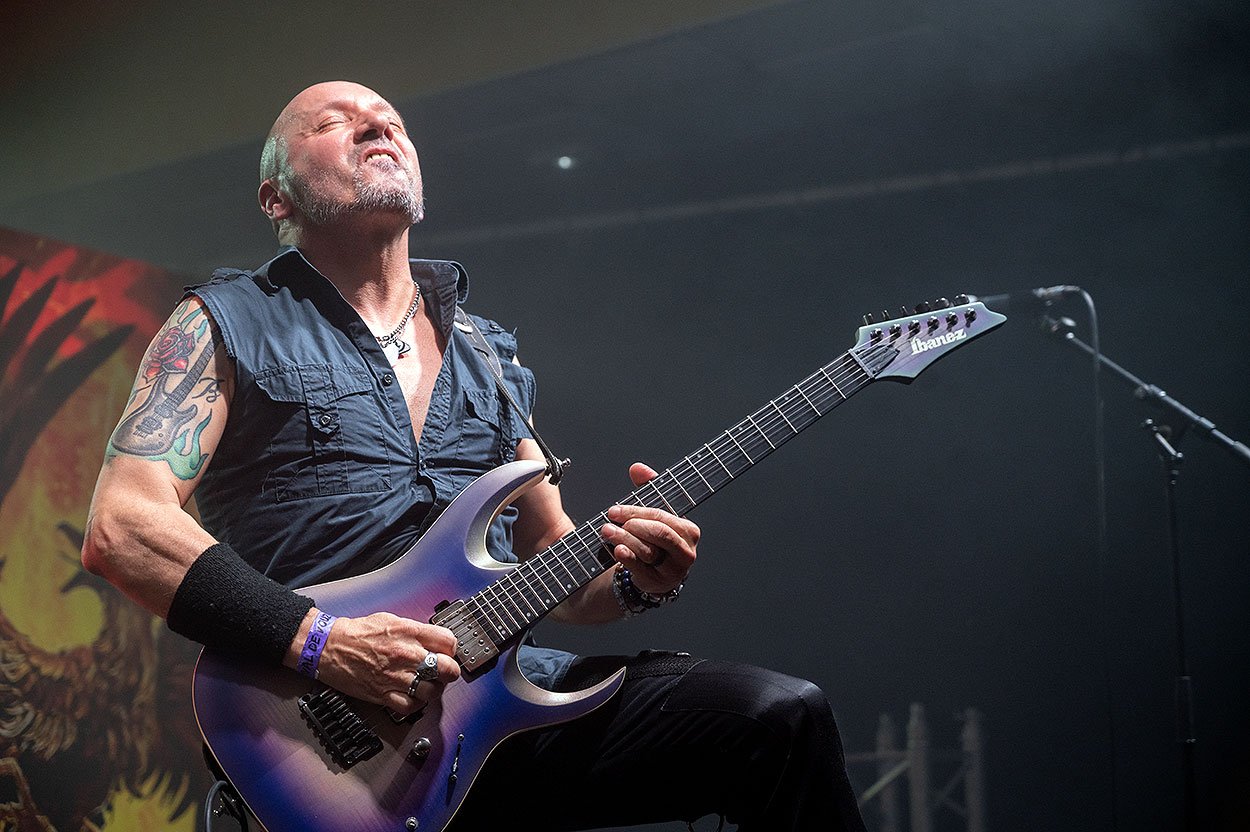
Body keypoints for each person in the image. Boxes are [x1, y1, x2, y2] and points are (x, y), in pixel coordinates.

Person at [82, 80, 866, 831]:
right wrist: (325, 643)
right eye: (332, 121)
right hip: (322, 740)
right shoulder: (223, 323)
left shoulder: (486, 354)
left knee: (778, 719)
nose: (376, 124)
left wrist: (633, 575)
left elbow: (557, 565)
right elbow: (124, 526)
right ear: (275, 199)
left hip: (498, 709)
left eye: (390, 119)